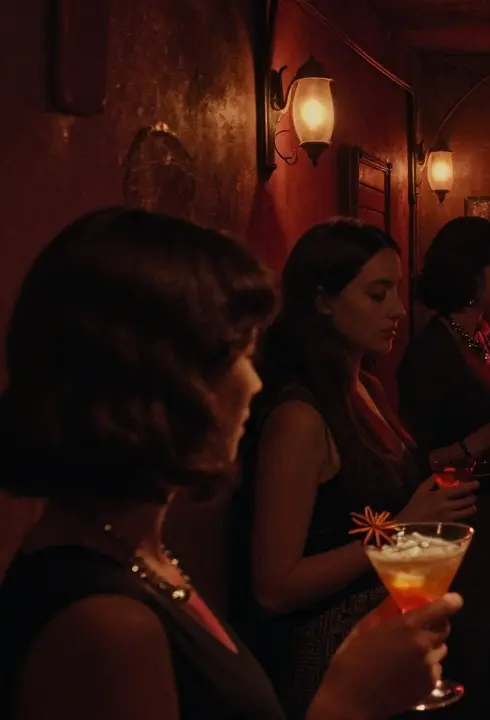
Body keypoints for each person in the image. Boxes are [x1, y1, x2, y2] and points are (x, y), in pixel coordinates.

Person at [0, 207, 461, 720]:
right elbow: (277, 588)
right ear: (155, 380)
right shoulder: (102, 624)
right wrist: (345, 699)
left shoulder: (127, 550)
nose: (255, 382)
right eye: (238, 353)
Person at [236, 218, 478, 717]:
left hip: (384, 637)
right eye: (377, 294)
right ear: (323, 300)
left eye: (397, 292)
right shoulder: (299, 418)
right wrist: (401, 531)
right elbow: (273, 587)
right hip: (331, 656)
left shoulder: (365, 386)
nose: (397, 310)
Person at [397, 216, 490, 720]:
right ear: (469, 273)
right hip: (460, 528)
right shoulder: (431, 353)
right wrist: (482, 440)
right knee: (470, 665)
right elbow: (415, 463)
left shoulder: (478, 339)